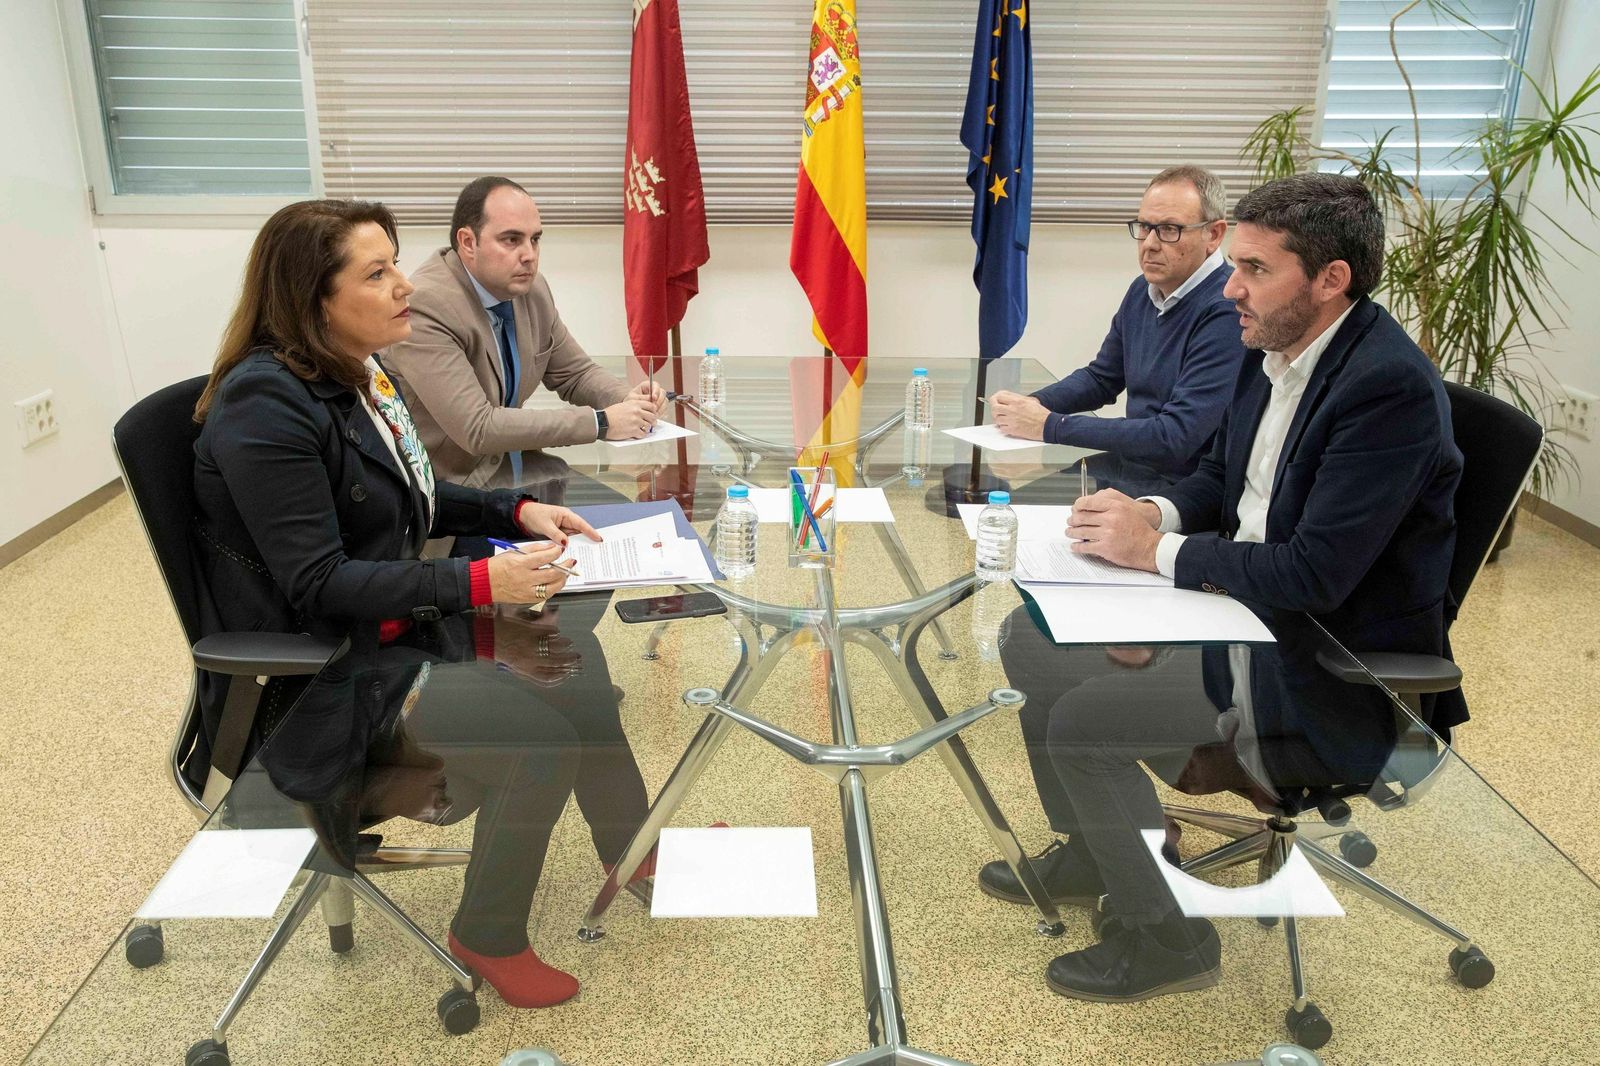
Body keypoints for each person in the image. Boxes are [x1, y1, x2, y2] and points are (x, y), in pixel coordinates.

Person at [987, 173, 1465, 1002]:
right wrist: (1146, 511)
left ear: (1330, 280)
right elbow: (1216, 477)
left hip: (1320, 661)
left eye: (1253, 268)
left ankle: (1168, 940)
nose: (1231, 287)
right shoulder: (1271, 343)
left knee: (1083, 724)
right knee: (1029, 638)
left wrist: (1158, 557)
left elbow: (1313, 573)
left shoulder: (1384, 391)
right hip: (1241, 610)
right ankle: (1095, 845)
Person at [192, 198, 651, 1009]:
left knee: (574, 662)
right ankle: (488, 932)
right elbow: (319, 583)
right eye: (377, 273)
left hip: (390, 631)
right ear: (313, 298)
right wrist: (480, 584)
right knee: (542, 744)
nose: (406, 284)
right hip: (327, 678)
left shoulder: (351, 376)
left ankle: (636, 849)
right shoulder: (263, 406)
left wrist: (513, 513)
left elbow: (413, 499)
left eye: (397, 262)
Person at [383, 176, 666, 496]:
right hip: (456, 491)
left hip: (520, 469)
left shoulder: (531, 290)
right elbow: (478, 428)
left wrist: (627, 399)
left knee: (633, 522)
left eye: (535, 239)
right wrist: (600, 423)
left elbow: (575, 373)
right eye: (511, 240)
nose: (529, 255)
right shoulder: (426, 305)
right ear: (467, 242)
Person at [988, 166, 1247, 479]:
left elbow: (1173, 437)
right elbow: (1102, 378)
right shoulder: (1143, 289)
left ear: (1214, 234)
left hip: (1182, 489)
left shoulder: (1227, 310)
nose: (1149, 243)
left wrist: (1048, 425)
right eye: (1144, 226)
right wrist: (1031, 405)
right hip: (1132, 468)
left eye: (1169, 229)